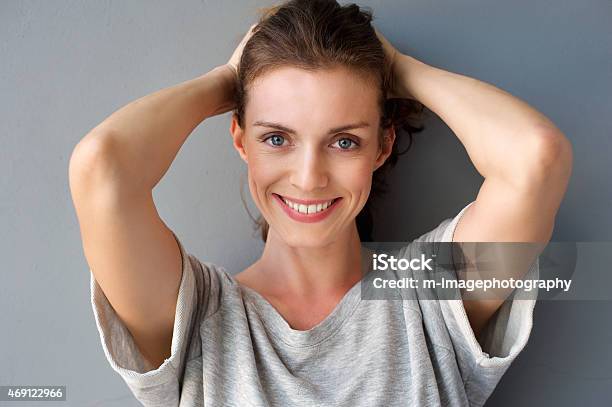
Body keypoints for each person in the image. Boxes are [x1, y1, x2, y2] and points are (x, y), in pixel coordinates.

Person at [68, 1, 573, 406]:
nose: (308, 178)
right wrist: (227, 78)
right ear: (240, 140)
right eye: (276, 139)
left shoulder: (431, 298)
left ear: (382, 145)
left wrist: (398, 68)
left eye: (345, 141)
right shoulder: (195, 313)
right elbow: (101, 168)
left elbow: (536, 158)